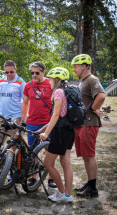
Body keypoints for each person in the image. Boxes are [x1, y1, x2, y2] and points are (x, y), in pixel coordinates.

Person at [71, 54, 105, 198]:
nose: (74, 69)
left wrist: (93, 108)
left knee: (90, 155)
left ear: (84, 66)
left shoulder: (92, 79)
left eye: (76, 67)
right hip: (81, 123)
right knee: (85, 155)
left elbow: (101, 96)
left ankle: (93, 188)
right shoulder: (83, 81)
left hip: (89, 123)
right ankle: (90, 183)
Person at [39, 67, 75, 203]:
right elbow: (60, 116)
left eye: (51, 79)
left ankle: (61, 193)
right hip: (69, 131)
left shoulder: (59, 92)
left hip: (59, 133)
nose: (49, 82)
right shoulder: (68, 90)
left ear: (57, 79)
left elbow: (56, 114)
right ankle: (67, 195)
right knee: (66, 163)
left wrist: (46, 133)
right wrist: (43, 128)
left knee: (47, 163)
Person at [21, 61, 56, 188]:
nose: (34, 75)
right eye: (32, 73)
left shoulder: (50, 84)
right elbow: (25, 102)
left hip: (47, 123)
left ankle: (51, 178)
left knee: (50, 151)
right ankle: (33, 176)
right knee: (32, 151)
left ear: (43, 72)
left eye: (37, 73)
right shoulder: (28, 85)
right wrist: (24, 118)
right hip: (32, 123)